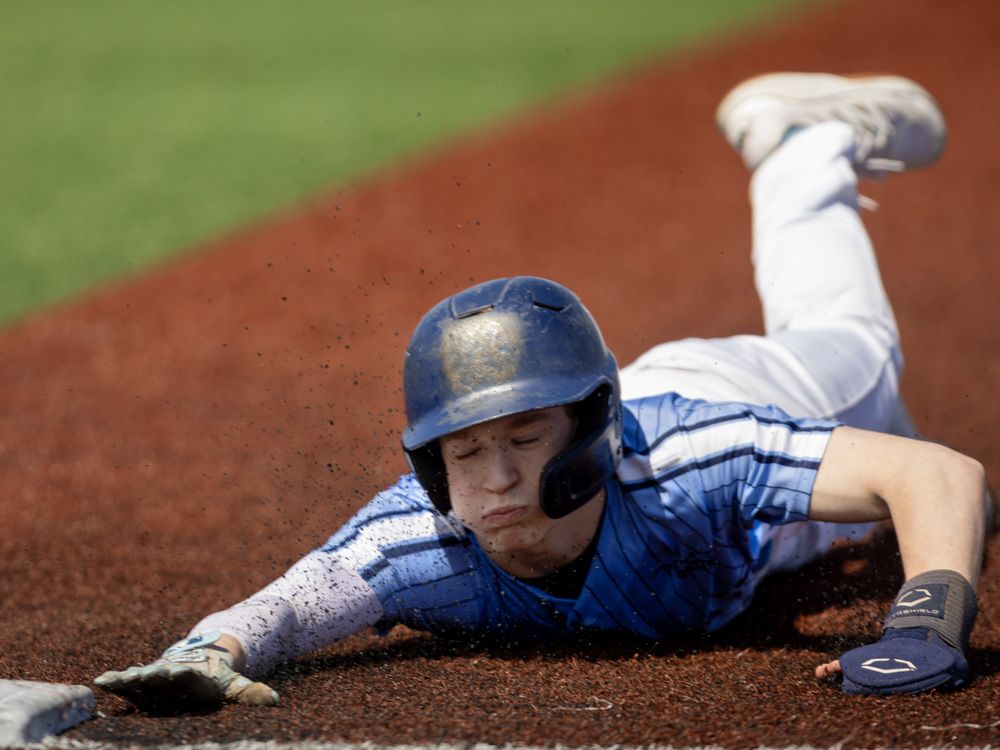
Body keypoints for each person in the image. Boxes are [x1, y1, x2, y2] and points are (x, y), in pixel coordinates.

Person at [95, 72, 990, 705]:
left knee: (862, 353)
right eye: (466, 449)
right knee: (879, 509)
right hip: (744, 548)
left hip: (742, 394)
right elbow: (293, 604)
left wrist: (926, 627)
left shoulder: (687, 454)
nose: (491, 478)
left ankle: (801, 146)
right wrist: (208, 651)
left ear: (592, 431)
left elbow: (946, 471)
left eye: (523, 439)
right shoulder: (429, 539)